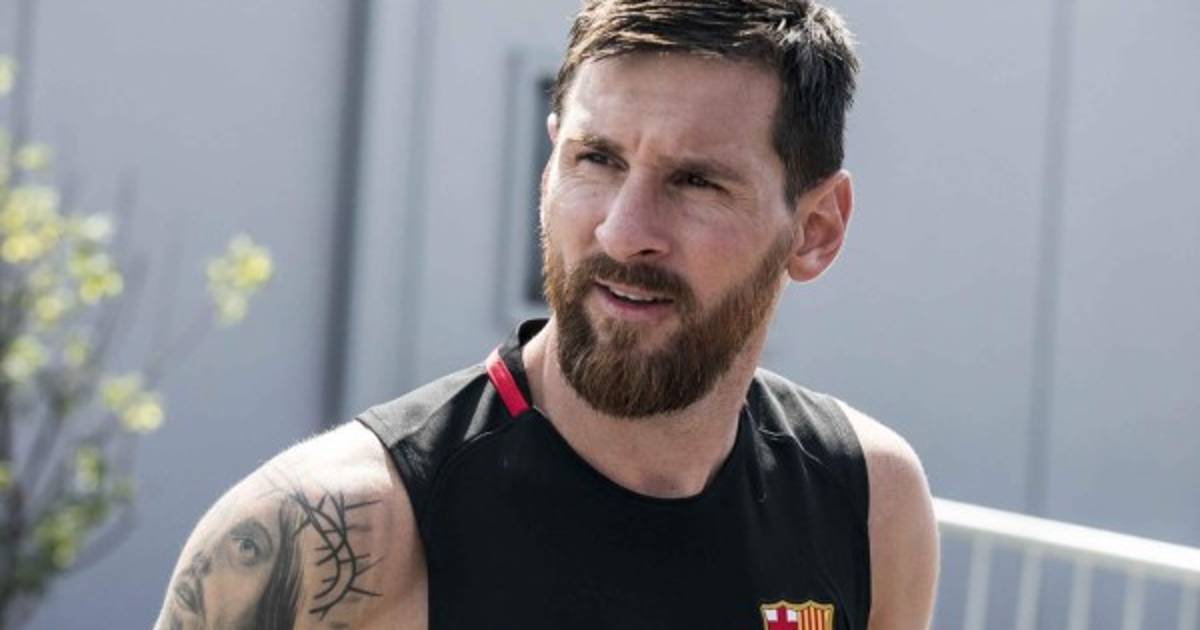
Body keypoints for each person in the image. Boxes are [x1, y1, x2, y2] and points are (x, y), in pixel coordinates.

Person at [155, 0, 938, 627]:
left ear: (815, 229)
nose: (623, 232)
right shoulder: (329, 535)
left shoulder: (870, 501)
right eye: (597, 160)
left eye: (697, 182)